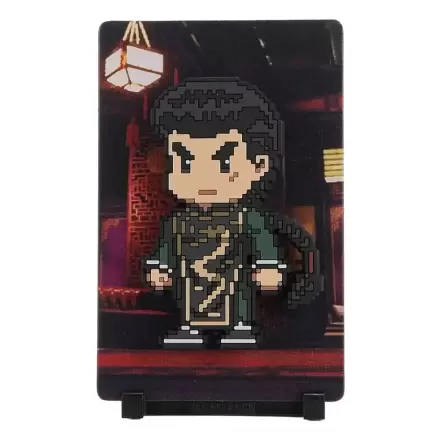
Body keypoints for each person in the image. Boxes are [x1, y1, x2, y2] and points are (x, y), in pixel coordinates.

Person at [143, 78, 322, 348]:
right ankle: (190, 328)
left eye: (223, 161)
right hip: (191, 282)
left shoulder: (248, 218)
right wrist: (160, 267)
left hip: (233, 279)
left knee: (237, 297)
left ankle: (239, 327)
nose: (203, 176)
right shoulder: (177, 222)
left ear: (258, 166)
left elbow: (262, 241)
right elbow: (166, 248)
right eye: (186, 161)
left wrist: (268, 266)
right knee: (189, 301)